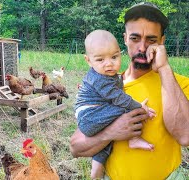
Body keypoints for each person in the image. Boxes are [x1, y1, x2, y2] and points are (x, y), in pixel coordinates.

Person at [70, 2, 189, 180]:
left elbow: (185, 135)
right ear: (125, 39)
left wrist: (164, 68)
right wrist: (111, 132)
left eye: (151, 40)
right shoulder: (109, 85)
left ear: (162, 42)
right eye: (135, 38)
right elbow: (76, 147)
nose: (142, 47)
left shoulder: (178, 84)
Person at [75, 29, 156, 179]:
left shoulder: (110, 75)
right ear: (88, 60)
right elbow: (118, 98)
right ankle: (134, 139)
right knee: (125, 107)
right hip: (89, 117)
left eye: (114, 57)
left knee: (110, 140)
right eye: (100, 60)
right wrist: (140, 107)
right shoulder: (99, 78)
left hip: (95, 115)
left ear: (120, 53)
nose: (109, 64)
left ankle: (96, 171)